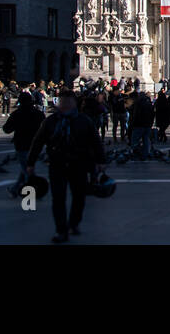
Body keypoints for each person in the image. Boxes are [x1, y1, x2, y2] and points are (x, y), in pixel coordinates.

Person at [26, 89, 106, 243]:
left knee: (79, 197)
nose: (65, 105)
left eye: (68, 102)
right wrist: (31, 162)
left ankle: (74, 223)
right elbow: (38, 142)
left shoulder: (83, 120)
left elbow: (95, 142)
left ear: (74, 104)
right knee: (58, 198)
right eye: (62, 102)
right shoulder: (51, 121)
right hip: (57, 164)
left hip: (79, 164)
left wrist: (101, 161)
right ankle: (61, 230)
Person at [2, 91, 45, 196]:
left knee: (27, 169)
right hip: (36, 145)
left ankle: (31, 191)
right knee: (27, 167)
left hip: (21, 144)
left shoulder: (17, 113)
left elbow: (6, 129)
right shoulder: (38, 113)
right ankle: (15, 189)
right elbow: (45, 128)